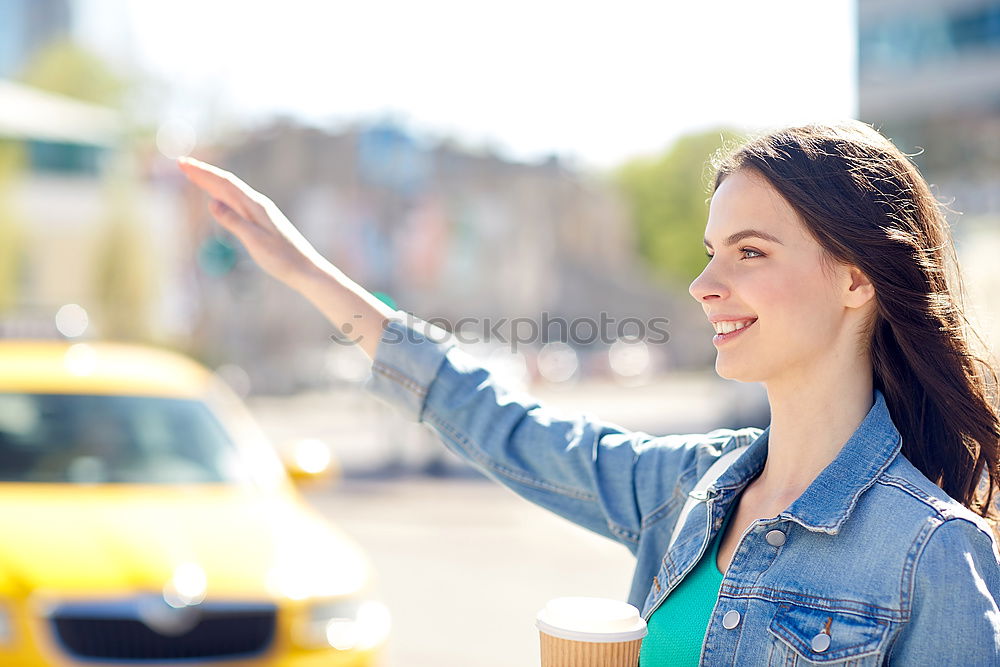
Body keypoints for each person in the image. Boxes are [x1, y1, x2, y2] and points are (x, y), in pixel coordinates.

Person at [178, 119, 1000, 665]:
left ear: (856, 278)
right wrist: (309, 275)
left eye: (749, 252)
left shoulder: (933, 554)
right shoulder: (685, 491)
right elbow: (499, 422)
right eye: (712, 251)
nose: (704, 283)